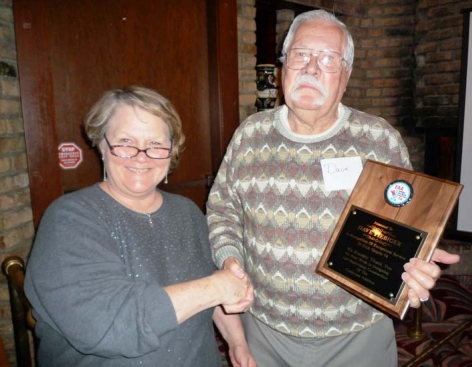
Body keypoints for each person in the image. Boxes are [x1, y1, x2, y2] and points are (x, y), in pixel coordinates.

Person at [206, 9, 460, 367]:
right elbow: (223, 210)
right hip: (264, 331)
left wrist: (416, 261)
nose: (311, 68)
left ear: (346, 76)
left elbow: (405, 226)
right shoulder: (249, 135)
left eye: (328, 58)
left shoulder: (379, 140)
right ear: (283, 67)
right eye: (300, 54)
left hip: (358, 336)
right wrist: (229, 259)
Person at [24, 86, 256, 367]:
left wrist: (237, 342)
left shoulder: (187, 213)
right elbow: (111, 325)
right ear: (101, 144)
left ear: (172, 151)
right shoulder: (68, 220)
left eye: (156, 144)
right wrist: (217, 287)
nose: (141, 155)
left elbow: (212, 288)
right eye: (125, 141)